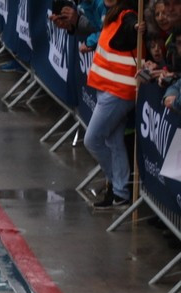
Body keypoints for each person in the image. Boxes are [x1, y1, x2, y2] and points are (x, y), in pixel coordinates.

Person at [84, 0, 139, 209]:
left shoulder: (126, 14)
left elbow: (131, 23)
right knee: (114, 143)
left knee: (92, 140)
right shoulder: (110, 14)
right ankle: (120, 193)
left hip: (117, 91)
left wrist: (135, 26)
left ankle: (116, 183)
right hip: (107, 88)